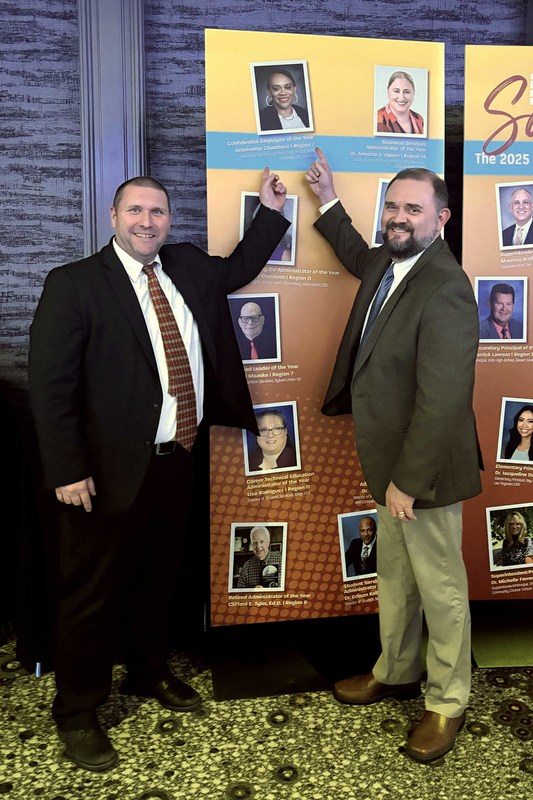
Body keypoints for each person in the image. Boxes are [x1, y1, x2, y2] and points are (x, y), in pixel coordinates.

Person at [28, 170, 289, 772]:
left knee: (159, 579)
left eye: (158, 212)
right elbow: (51, 387)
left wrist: (272, 210)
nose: (147, 222)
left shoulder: (188, 266)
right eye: (136, 211)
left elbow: (239, 267)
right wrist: (67, 469)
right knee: (89, 595)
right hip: (104, 473)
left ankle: (148, 671)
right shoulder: (74, 284)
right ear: (114, 216)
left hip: (179, 461)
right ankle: (78, 710)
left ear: (170, 220)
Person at [305, 147, 482, 764]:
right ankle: (397, 669)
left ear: (442, 217)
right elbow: (357, 253)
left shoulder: (447, 287)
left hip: (423, 470)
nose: (399, 217)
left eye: (414, 209)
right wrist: (327, 198)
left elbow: (444, 400)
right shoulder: (388, 257)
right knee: (396, 577)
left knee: (440, 588)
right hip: (387, 462)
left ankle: (448, 701)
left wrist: (408, 480)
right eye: (393, 206)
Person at [376, 71, 424, 135]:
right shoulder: (378, 119)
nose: (401, 98)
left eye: (407, 92)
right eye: (396, 91)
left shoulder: (419, 119)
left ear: (413, 93)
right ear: (388, 92)